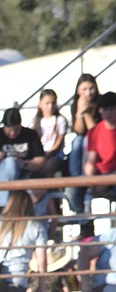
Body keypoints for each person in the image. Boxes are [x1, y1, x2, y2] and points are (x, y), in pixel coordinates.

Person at [0, 107, 45, 210]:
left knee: (34, 178)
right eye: (9, 130)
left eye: (16, 130)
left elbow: (41, 161)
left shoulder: (30, 135)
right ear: (4, 126)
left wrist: (24, 164)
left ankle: (15, 209)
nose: (12, 133)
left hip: (23, 176)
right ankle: (5, 208)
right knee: (10, 163)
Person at [66, 74, 101, 214]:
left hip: (98, 144)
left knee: (86, 140)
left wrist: (86, 114)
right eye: (84, 89)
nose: (88, 92)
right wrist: (80, 112)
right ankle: (77, 178)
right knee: (78, 141)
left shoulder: (101, 104)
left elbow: (95, 131)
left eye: (91, 88)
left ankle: (85, 178)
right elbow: (79, 130)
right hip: (82, 148)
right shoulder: (76, 104)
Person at [82, 91, 116, 205]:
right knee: (74, 192)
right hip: (100, 175)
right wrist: (92, 179)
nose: (108, 112)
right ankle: (86, 221)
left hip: (112, 176)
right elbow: (90, 160)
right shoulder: (94, 131)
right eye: (104, 109)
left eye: (111, 108)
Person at [32, 88, 68, 178]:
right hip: (39, 154)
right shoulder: (35, 121)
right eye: (47, 103)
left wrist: (48, 154)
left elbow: (59, 140)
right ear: (40, 104)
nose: (50, 106)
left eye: (53, 103)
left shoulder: (60, 120)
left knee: (48, 166)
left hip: (55, 155)